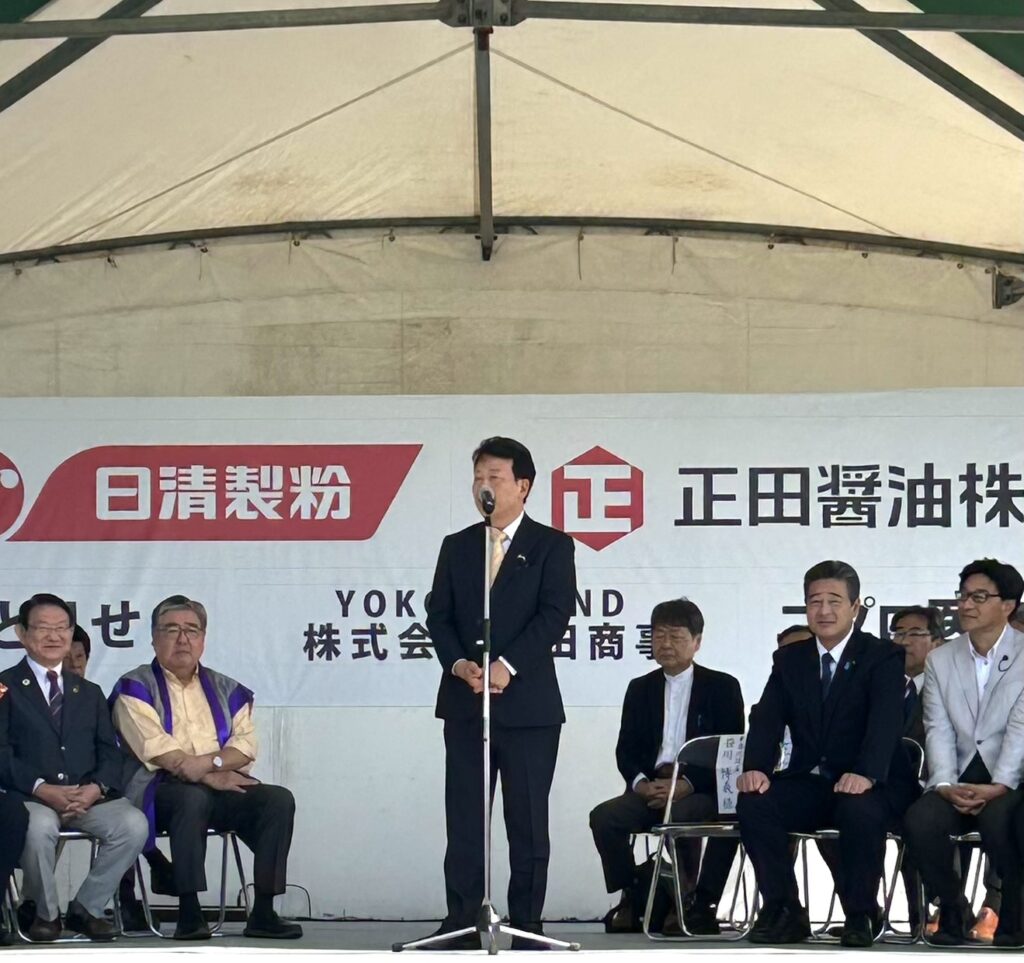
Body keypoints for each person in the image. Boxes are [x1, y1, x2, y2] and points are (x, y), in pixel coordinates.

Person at [422, 436, 575, 950]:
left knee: (527, 822)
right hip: (466, 701)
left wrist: (508, 666)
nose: (483, 487)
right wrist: (458, 663)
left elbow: (555, 614)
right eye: (478, 478)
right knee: (466, 819)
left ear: (523, 485)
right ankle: (462, 921)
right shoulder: (457, 546)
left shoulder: (552, 545)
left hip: (529, 708)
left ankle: (528, 924)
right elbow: (439, 616)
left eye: (495, 477)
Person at [737, 560, 918, 947]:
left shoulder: (882, 655)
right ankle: (784, 909)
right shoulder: (790, 659)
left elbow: (885, 721)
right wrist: (756, 767)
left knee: (858, 810)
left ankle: (861, 914)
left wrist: (866, 773)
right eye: (814, 601)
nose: (824, 610)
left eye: (835, 601)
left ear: (855, 608)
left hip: (874, 781)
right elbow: (766, 718)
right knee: (755, 802)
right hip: (814, 780)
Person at [110, 595, 301, 941]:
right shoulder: (134, 687)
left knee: (277, 800)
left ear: (203, 639)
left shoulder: (228, 688)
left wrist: (211, 766)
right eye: (171, 630)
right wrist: (213, 772)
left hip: (218, 787)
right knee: (191, 798)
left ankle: (264, 910)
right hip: (158, 791)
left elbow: (245, 746)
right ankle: (189, 911)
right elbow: (159, 751)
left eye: (191, 630)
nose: (182, 639)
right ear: (153, 638)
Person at [590, 598, 743, 935]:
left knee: (682, 814)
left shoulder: (722, 687)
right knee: (605, 818)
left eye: (676, 636)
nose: (666, 644)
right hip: (653, 787)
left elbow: (728, 751)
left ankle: (688, 903)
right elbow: (626, 750)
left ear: (697, 642)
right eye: (659, 636)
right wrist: (642, 784)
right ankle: (637, 893)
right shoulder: (640, 688)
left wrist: (686, 784)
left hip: (699, 789)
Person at [0, 593, 148, 942]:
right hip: (31, 797)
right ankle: (44, 913)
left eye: (61, 628)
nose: (54, 636)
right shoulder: (5, 686)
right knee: (38, 828)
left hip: (86, 797)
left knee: (133, 824)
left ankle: (87, 908)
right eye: (43, 628)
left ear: (70, 633)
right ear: (22, 634)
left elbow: (109, 752)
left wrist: (96, 788)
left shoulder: (89, 692)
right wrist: (41, 788)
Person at [902, 559, 1024, 947]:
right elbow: (937, 727)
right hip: (957, 773)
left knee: (1001, 821)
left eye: (979, 597)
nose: (966, 605)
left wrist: (1000, 784)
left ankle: (1014, 917)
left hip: (1012, 777)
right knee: (921, 821)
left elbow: (1021, 727)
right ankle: (952, 908)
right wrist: (943, 783)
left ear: (1007, 605)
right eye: (964, 595)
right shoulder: (942, 659)